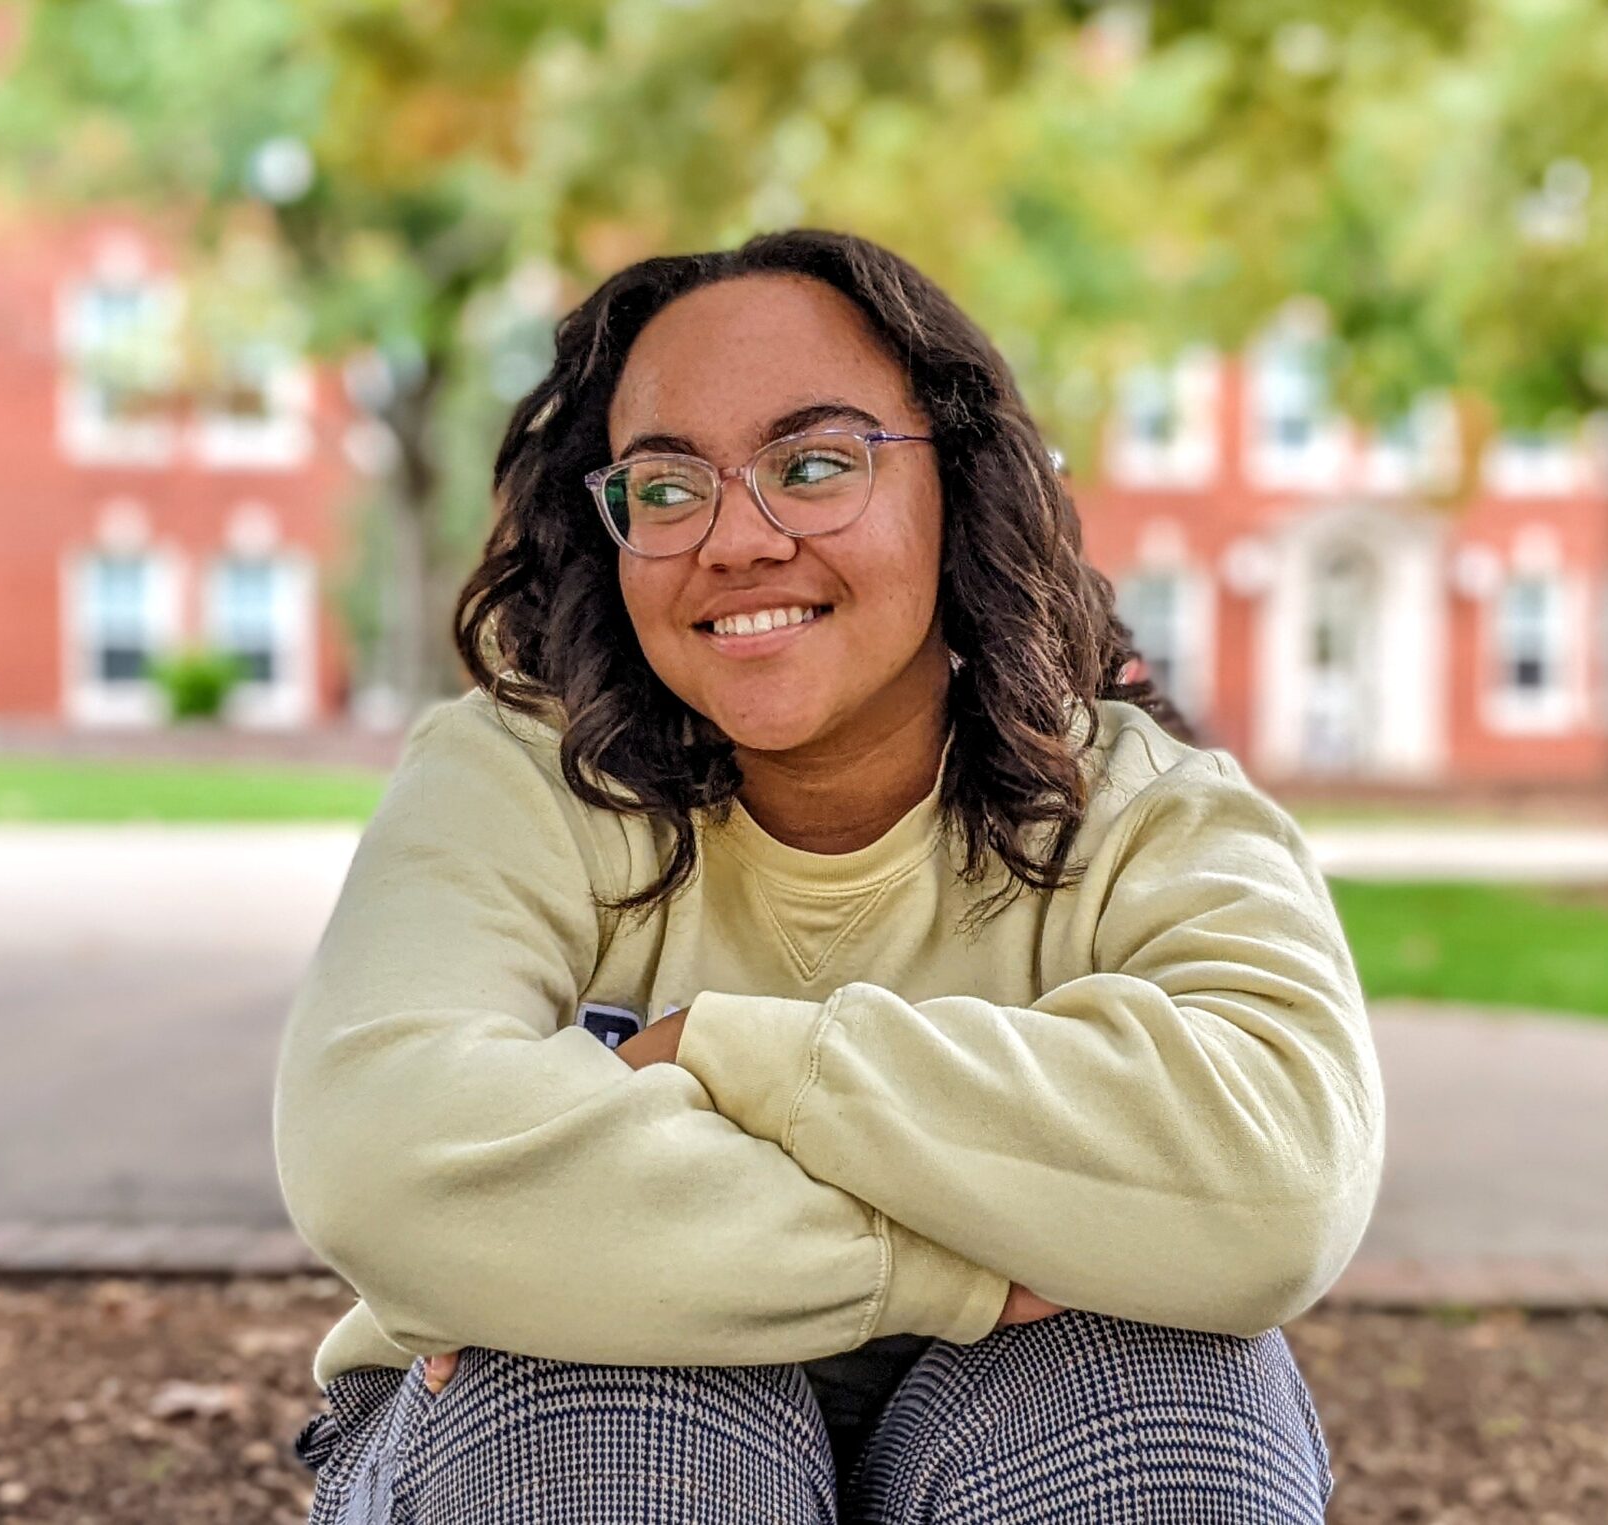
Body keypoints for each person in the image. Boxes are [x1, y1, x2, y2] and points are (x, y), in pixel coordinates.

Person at [274, 227, 1385, 1524]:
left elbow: (1282, 1168)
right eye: (669, 487)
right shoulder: (515, 776)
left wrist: (739, 1058)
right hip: (560, 1427)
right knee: (619, 1398)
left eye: (813, 465)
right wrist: (948, 1261)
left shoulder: (1144, 809)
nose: (737, 540)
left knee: (1174, 1399)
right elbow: (380, 1145)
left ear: (957, 488)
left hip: (1019, 1419)